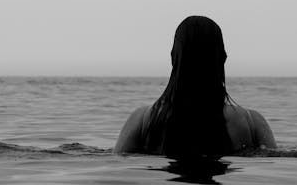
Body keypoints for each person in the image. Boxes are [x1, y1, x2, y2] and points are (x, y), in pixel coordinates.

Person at [115, 15, 276, 157]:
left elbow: (118, 163)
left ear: (173, 58)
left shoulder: (142, 120)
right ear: (223, 58)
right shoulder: (251, 122)